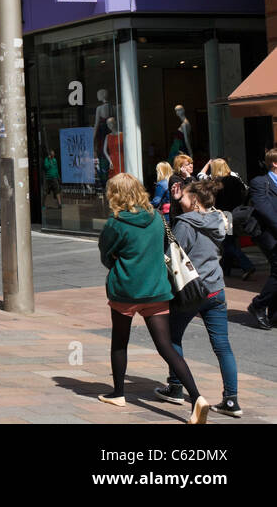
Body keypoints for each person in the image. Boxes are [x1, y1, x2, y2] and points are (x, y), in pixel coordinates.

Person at [96, 172, 209, 422]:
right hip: (157, 290)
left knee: (119, 342)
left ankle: (118, 393)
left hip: (126, 291)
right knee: (166, 346)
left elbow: (105, 253)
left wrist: (116, 260)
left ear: (115, 195)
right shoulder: (157, 218)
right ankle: (197, 397)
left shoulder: (116, 222)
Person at [151, 176, 241, 418]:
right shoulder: (219, 220)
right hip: (216, 288)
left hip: (191, 290)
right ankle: (231, 400)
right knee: (222, 346)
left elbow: (173, 254)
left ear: (196, 200)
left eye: (186, 196)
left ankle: (177, 386)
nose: (181, 200)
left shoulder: (185, 224)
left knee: (171, 338)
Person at [209, 158, 256, 279]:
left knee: (227, 243)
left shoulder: (218, 183)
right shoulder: (235, 180)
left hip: (223, 215)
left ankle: (247, 265)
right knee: (230, 241)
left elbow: (215, 201)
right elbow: (245, 193)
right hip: (236, 213)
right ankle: (225, 269)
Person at [246, 148, 277, 329]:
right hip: (268, 233)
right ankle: (258, 305)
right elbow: (265, 210)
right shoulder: (259, 182)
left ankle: (273, 313)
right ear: (274, 162)